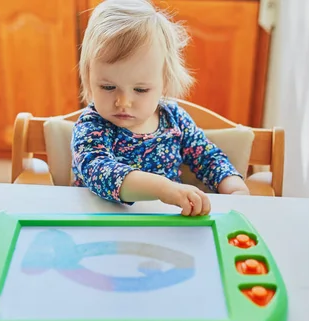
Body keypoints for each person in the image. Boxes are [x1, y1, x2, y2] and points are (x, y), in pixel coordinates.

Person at [72, 0, 250, 216]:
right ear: (89, 78)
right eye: (108, 87)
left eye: (140, 90)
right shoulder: (92, 125)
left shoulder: (173, 119)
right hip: (97, 224)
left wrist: (235, 188)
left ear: (164, 82)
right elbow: (99, 171)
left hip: (165, 224)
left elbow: (206, 156)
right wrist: (163, 189)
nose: (123, 101)